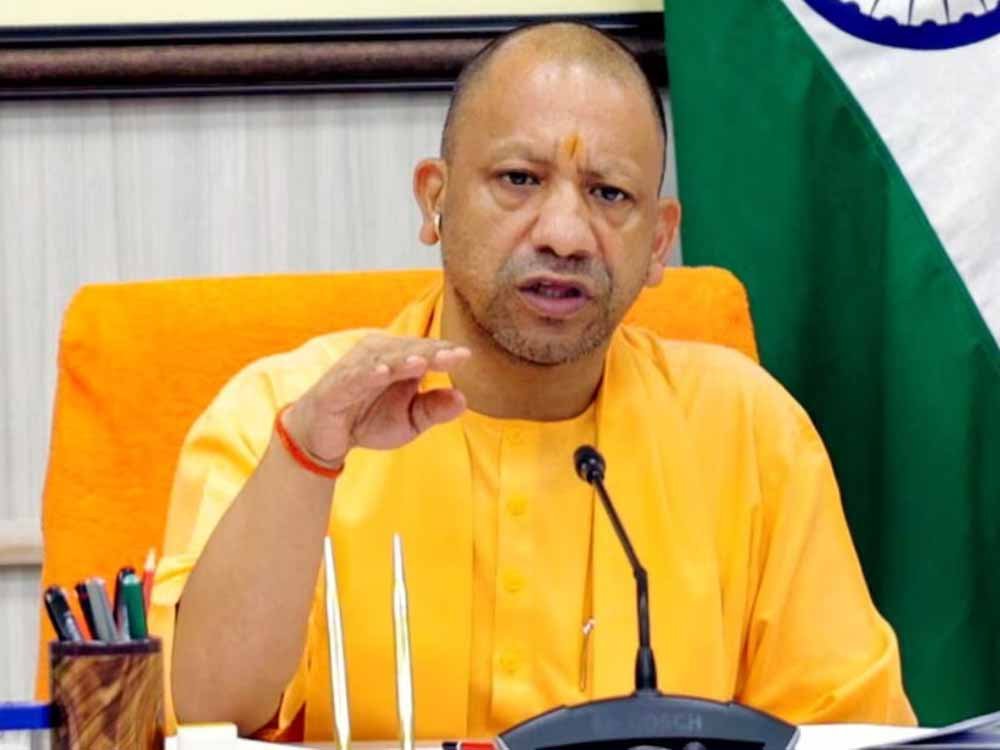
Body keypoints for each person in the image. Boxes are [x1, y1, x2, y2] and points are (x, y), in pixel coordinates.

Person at [150, 20, 916, 742]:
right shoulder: (288, 413)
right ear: (435, 199)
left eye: (609, 194)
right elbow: (202, 712)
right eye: (519, 179)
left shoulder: (746, 430)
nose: (565, 235)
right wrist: (307, 458)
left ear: (659, 242)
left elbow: (854, 732)